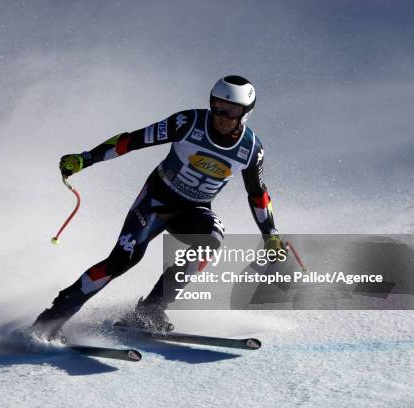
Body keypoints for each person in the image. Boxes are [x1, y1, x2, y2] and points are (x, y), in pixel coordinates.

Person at [32, 75, 285, 340]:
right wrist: (86, 159)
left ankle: (150, 310)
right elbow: (133, 140)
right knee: (123, 260)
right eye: (217, 106)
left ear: (245, 114)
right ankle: (51, 318)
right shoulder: (188, 123)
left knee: (212, 238)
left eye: (231, 111)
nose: (221, 115)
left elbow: (257, 193)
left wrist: (271, 234)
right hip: (155, 202)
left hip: (194, 210)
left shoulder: (250, 149)